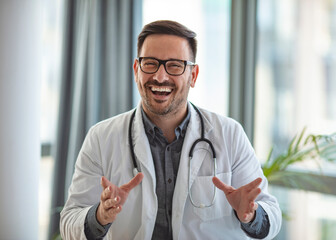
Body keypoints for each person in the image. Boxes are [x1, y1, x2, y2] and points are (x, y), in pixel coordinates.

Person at [60, 20, 282, 240]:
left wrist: (251, 215)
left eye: (174, 65)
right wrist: (99, 216)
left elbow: (271, 215)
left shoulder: (229, 135)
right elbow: (69, 222)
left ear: (192, 76)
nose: (160, 76)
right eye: (150, 63)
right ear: (137, 70)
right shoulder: (101, 138)